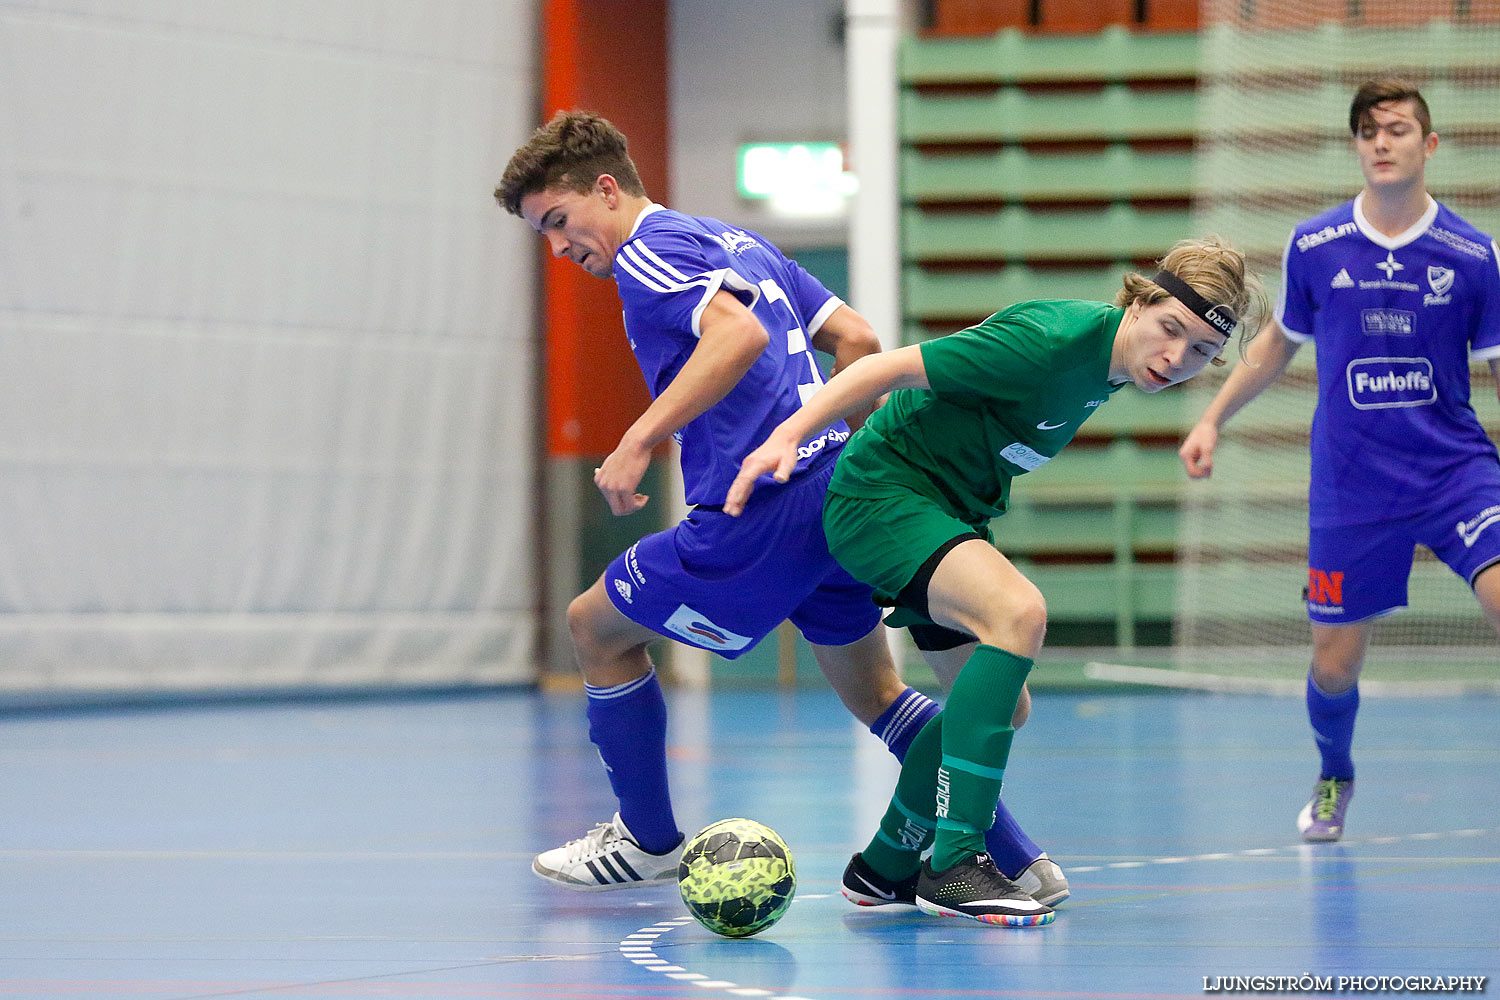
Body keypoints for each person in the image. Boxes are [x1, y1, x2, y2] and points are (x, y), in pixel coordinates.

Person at [495, 111, 1063, 901]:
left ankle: (647, 840)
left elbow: (735, 340)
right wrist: (846, 454)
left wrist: (635, 441)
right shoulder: (738, 241)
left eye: (559, 222)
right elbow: (858, 338)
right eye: (543, 236)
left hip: (756, 513)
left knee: (594, 625)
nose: (559, 248)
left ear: (605, 187)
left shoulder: (648, 252)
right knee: (879, 696)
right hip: (834, 497)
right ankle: (1020, 859)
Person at [729, 237, 1266, 924]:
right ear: (1139, 301)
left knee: (1004, 707)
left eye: (1199, 353)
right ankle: (954, 861)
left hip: (945, 511)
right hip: (882, 499)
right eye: (1171, 331)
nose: (1175, 359)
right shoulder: (1048, 341)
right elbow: (883, 370)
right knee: (1018, 614)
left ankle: (886, 865)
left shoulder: (1111, 369)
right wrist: (789, 435)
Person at [1179, 79, 1500, 843]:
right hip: (1353, 485)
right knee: (1334, 666)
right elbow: (1273, 347)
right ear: (1357, 147)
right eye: (1367, 131)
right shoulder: (1316, 246)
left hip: (1456, 471)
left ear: (1429, 146)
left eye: (1396, 129)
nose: (1380, 142)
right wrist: (1212, 420)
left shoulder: (1473, 255)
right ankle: (1335, 773)